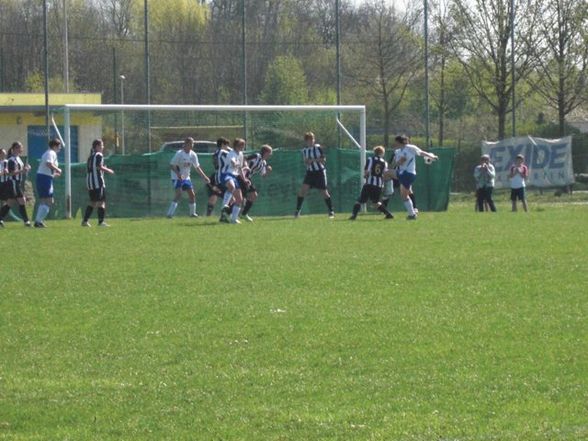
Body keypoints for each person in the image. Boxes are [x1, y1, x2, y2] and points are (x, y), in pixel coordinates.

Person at [393, 135, 438, 220]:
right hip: (402, 173)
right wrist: (397, 162)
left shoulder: (410, 147)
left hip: (408, 174)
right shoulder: (398, 151)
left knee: (387, 174)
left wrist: (432, 156)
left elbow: (421, 152)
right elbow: (398, 162)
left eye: (396, 142)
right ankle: (412, 213)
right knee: (405, 194)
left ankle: (412, 214)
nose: (394, 143)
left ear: (399, 142)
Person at [166, 137, 210, 219]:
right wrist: (178, 174)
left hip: (186, 177)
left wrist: (204, 177)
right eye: (190, 143)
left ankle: (192, 213)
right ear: (185, 144)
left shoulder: (193, 154)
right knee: (178, 194)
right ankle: (169, 214)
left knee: (192, 195)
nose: (191, 145)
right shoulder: (179, 153)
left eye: (192, 143)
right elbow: (172, 165)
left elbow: (197, 167)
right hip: (177, 177)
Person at [294, 131, 334, 218]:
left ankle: (331, 211)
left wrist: (313, 160)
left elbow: (323, 160)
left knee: (324, 192)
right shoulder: (304, 151)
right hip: (310, 173)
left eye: (312, 139)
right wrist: (307, 162)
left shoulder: (318, 148)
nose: (311, 141)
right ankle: (297, 211)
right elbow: (305, 162)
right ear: (306, 141)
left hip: (320, 172)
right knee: (302, 191)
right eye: (309, 140)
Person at [349, 145, 394, 220]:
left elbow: (367, 171)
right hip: (379, 184)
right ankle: (388, 214)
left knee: (360, 200)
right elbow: (384, 174)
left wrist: (365, 176)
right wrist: (383, 184)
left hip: (370, 183)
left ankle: (354, 215)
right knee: (375, 202)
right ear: (382, 153)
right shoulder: (384, 162)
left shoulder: (370, 159)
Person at [81, 139, 114, 227]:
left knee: (92, 202)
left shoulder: (90, 156)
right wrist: (108, 170)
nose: (103, 147)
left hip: (90, 182)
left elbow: (93, 167)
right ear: (97, 146)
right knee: (101, 202)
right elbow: (99, 167)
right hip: (97, 182)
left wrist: (103, 167)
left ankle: (85, 221)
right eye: (102, 145)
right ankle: (101, 222)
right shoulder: (99, 154)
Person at [0, 142, 32, 227]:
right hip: (12, 182)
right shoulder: (11, 160)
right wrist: (23, 170)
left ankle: (1, 218)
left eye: (21, 147)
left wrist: (26, 169)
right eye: (18, 147)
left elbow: (20, 170)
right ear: (13, 149)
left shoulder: (18, 158)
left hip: (17, 182)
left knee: (12, 202)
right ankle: (26, 221)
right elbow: (10, 174)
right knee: (20, 200)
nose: (20, 149)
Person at [217, 138, 248, 224]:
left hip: (235, 176)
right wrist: (235, 163)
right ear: (236, 146)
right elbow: (233, 161)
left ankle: (233, 219)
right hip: (226, 174)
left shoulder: (241, 154)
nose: (242, 147)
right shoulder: (231, 153)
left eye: (243, 145)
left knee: (239, 199)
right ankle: (224, 206)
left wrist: (244, 179)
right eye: (240, 145)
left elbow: (240, 168)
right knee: (231, 186)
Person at [33, 138, 62, 227]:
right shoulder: (51, 153)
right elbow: (48, 164)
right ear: (54, 146)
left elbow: (46, 168)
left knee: (45, 201)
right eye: (59, 146)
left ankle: (38, 221)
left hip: (45, 177)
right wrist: (58, 169)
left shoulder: (50, 153)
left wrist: (54, 175)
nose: (60, 148)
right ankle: (38, 221)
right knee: (48, 201)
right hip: (44, 178)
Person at [240, 144, 273, 222]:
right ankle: (230, 213)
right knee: (240, 198)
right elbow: (245, 158)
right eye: (270, 153)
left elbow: (263, 175)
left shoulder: (263, 162)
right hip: (242, 176)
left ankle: (243, 214)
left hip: (248, 178)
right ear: (265, 152)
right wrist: (245, 168)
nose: (270, 155)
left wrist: (268, 171)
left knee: (252, 196)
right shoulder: (256, 156)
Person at [206, 137, 230, 216]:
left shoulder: (215, 153)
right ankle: (225, 214)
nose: (228, 147)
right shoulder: (223, 153)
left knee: (214, 195)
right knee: (228, 195)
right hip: (222, 176)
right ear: (223, 144)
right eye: (226, 145)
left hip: (215, 176)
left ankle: (209, 214)